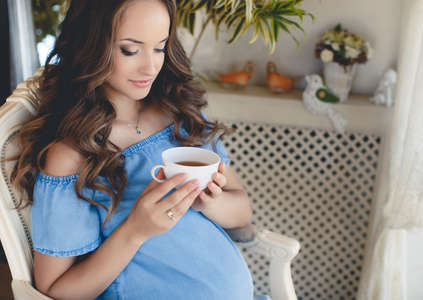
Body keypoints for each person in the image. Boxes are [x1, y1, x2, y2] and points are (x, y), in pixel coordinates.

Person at [9, 0, 254, 299]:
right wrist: (135, 230)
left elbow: (242, 210)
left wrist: (208, 203)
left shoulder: (179, 114)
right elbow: (56, 290)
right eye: (130, 49)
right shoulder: (72, 155)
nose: (150, 67)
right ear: (90, 46)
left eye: (159, 47)